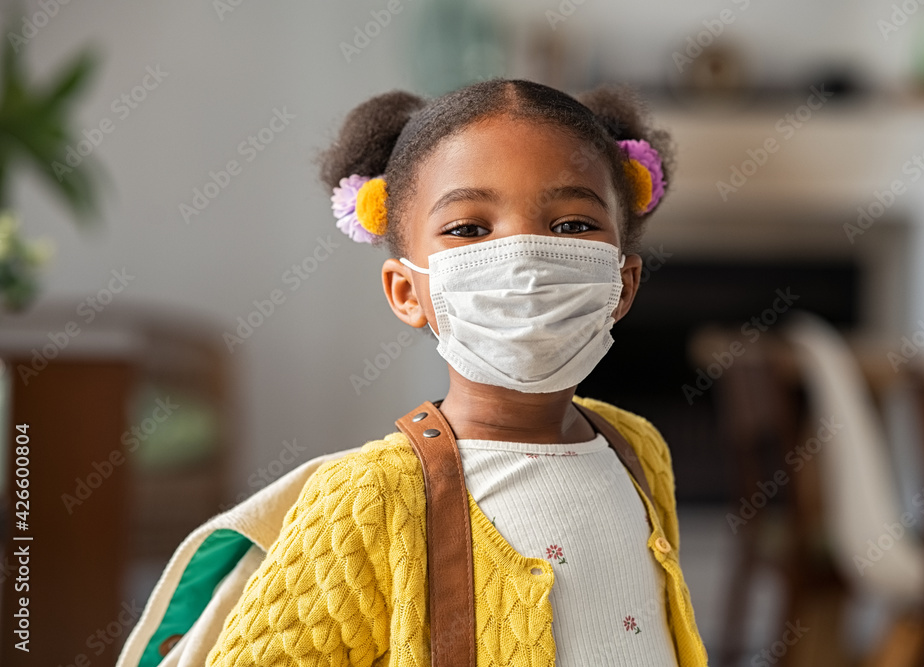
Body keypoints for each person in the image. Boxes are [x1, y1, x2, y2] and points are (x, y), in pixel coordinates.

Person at [205, 78, 707, 666]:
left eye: (571, 225)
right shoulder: (371, 497)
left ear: (623, 282)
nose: (525, 261)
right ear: (406, 291)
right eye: (469, 229)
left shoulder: (640, 452)